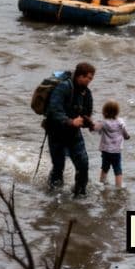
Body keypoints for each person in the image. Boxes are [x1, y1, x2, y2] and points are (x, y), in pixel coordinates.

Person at [45, 62, 95, 196]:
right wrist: (71, 121)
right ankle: (52, 196)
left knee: (83, 164)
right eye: (88, 78)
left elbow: (87, 112)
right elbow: (54, 111)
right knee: (58, 167)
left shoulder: (86, 93)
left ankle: (80, 195)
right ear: (80, 76)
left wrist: (89, 123)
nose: (90, 81)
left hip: (73, 134)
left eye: (91, 78)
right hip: (56, 133)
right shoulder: (63, 87)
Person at [94, 99, 130, 189]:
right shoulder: (120, 122)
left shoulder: (104, 123)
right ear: (117, 112)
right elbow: (125, 134)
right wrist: (127, 136)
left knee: (105, 167)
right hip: (116, 151)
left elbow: (96, 128)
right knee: (117, 169)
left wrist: (91, 123)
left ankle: (102, 182)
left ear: (105, 112)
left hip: (106, 151)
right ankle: (119, 186)